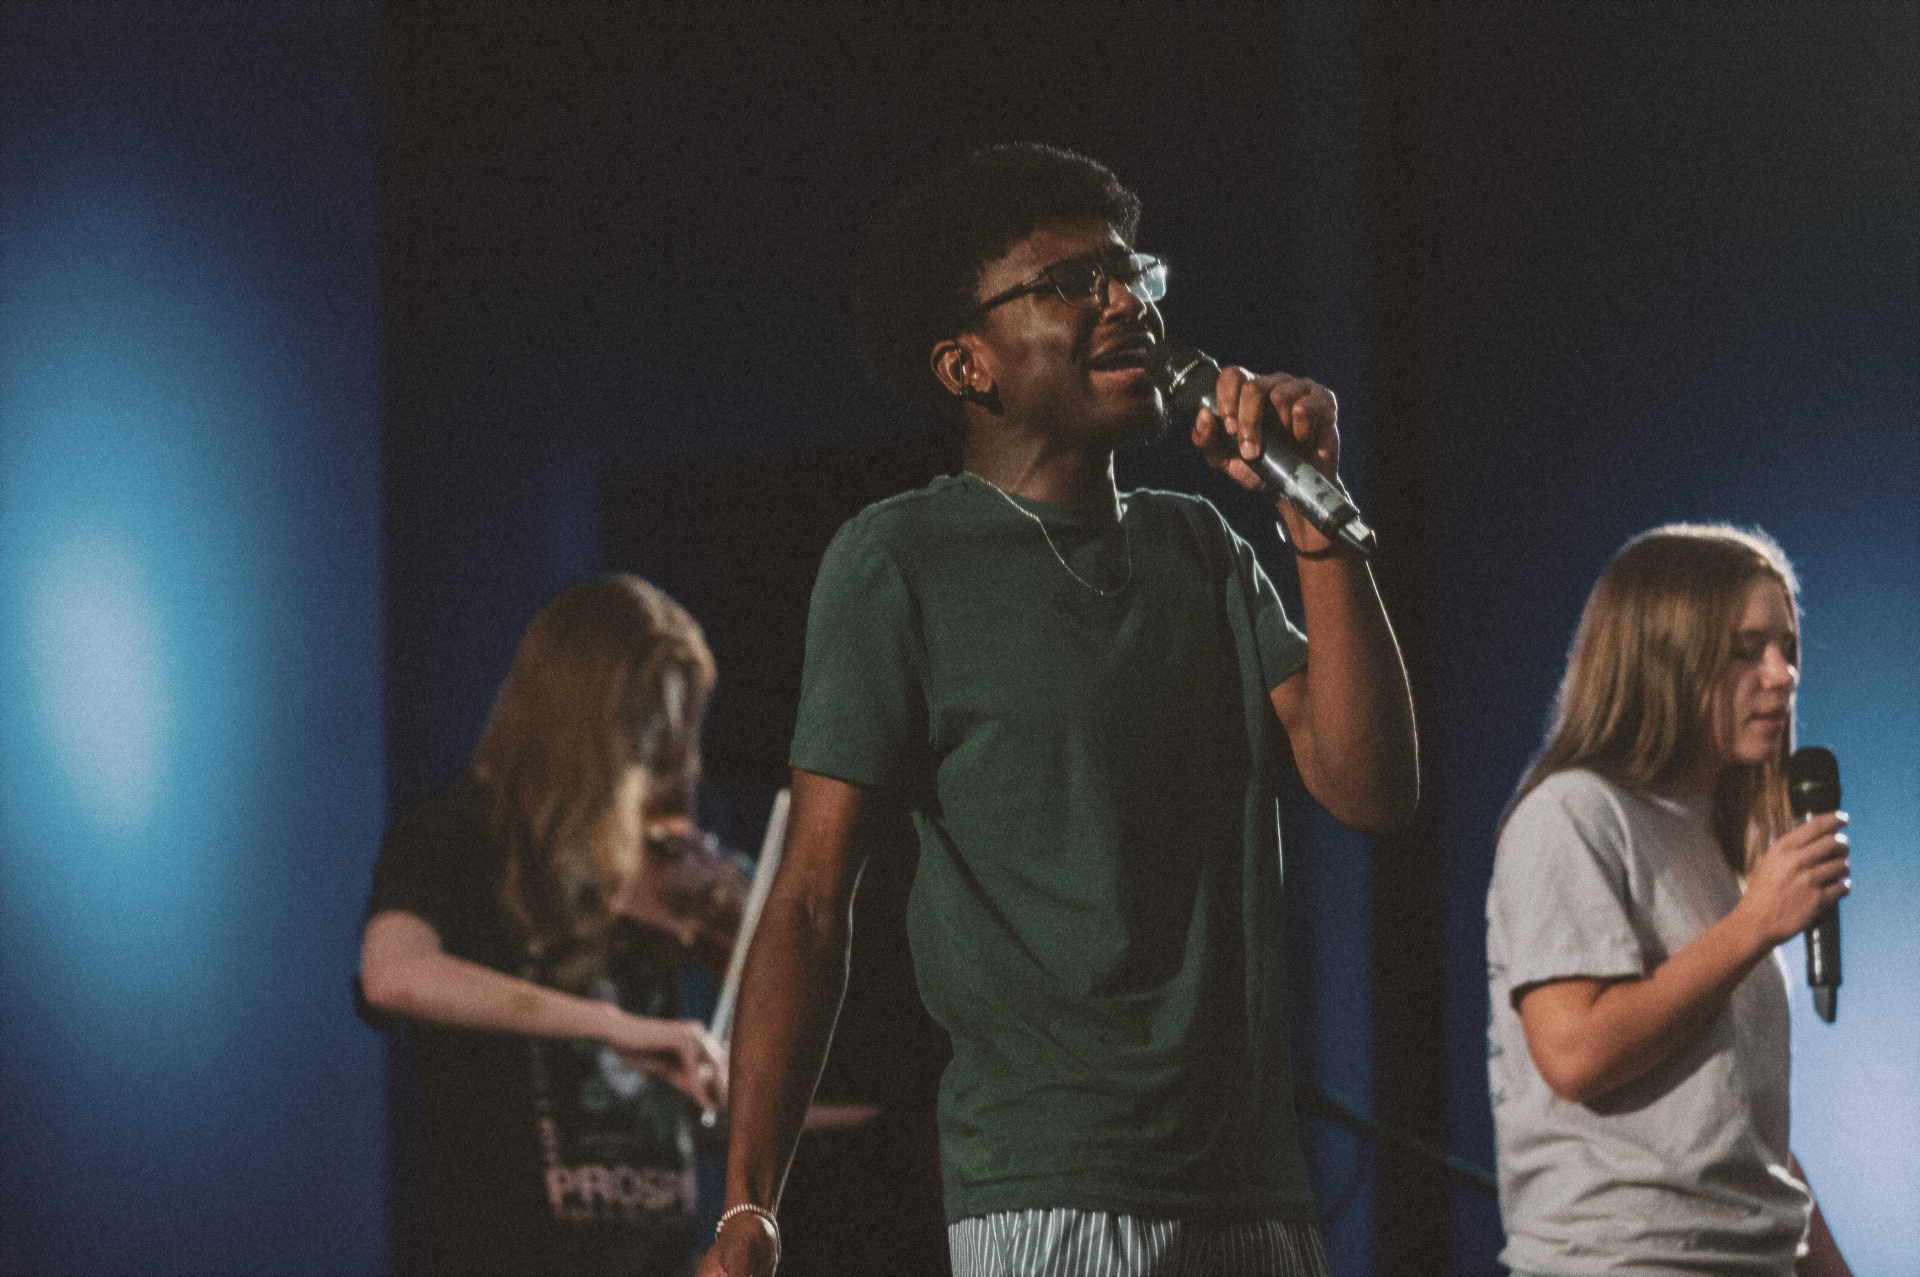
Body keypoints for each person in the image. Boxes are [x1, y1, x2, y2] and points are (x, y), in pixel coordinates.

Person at [700, 144, 1420, 1277]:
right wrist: (751, 1201)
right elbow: (808, 899)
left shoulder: (1200, 547)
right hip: (1050, 1182)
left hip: (1251, 1188)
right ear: (966, 363)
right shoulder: (901, 558)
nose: (1127, 302)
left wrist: (1312, 516)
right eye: (1074, 282)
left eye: (1133, 273)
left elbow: (1372, 788)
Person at [1486, 525, 1853, 1277]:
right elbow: (1575, 1052)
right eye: (1747, 649)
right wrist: (1753, 925)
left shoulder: (1716, 840)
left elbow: (1736, 1136)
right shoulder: (1574, 814)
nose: (1782, 673)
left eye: (1787, 647)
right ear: (1664, 658)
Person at [359, 574, 738, 1277]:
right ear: (584, 714)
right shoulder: (450, 834)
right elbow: (394, 973)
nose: (653, 758)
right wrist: (612, 1025)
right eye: (643, 725)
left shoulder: (630, 863)